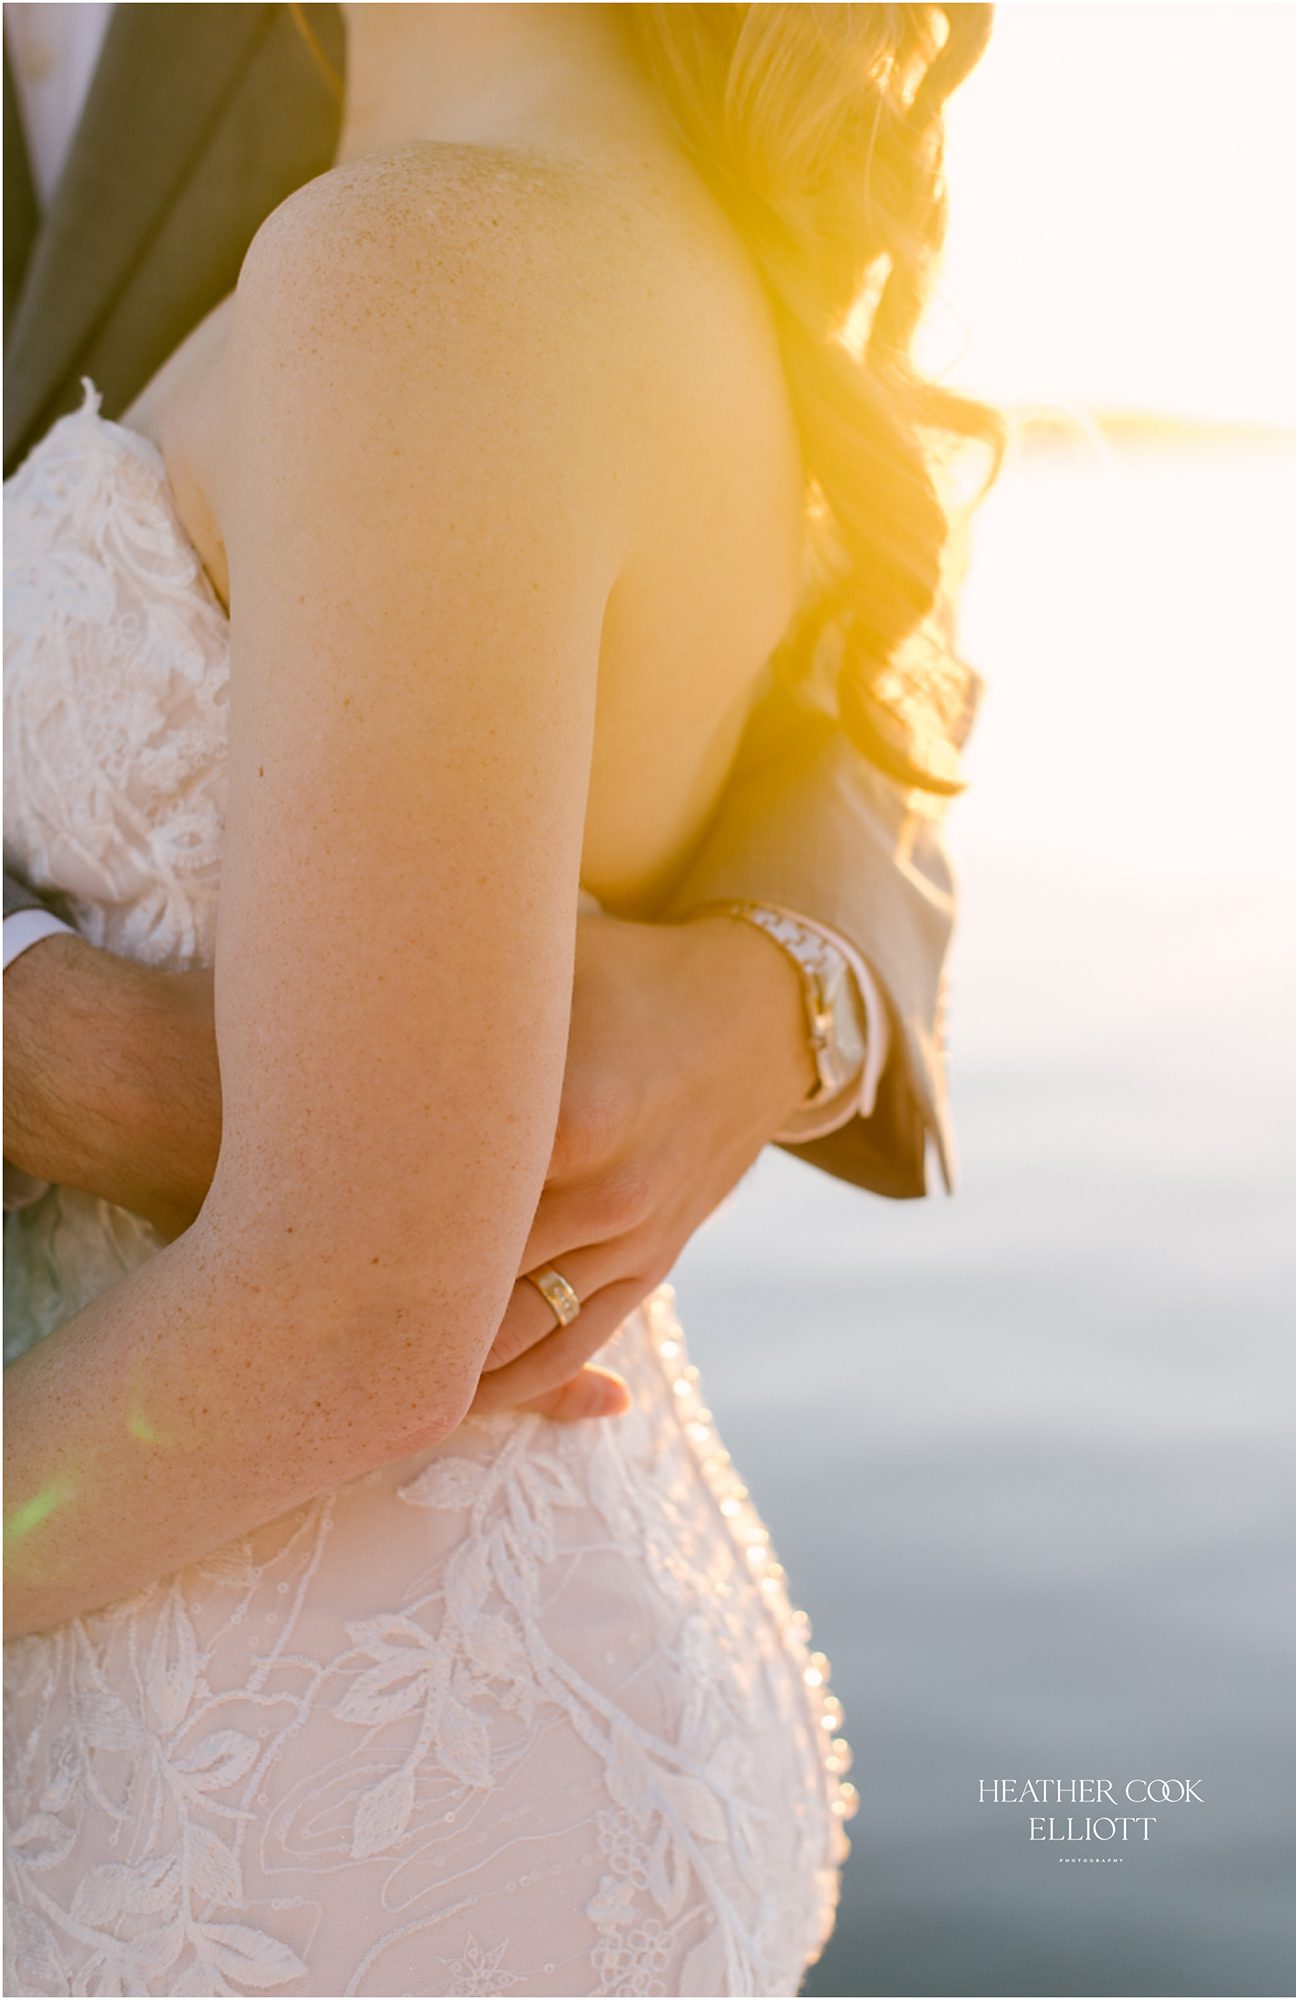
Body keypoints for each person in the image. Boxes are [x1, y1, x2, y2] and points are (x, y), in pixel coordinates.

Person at [2, 6, 999, 1994]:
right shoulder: (629, 213)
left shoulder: (424, 252)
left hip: (293, 1780)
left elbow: (359, 1306)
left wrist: (785, 990)